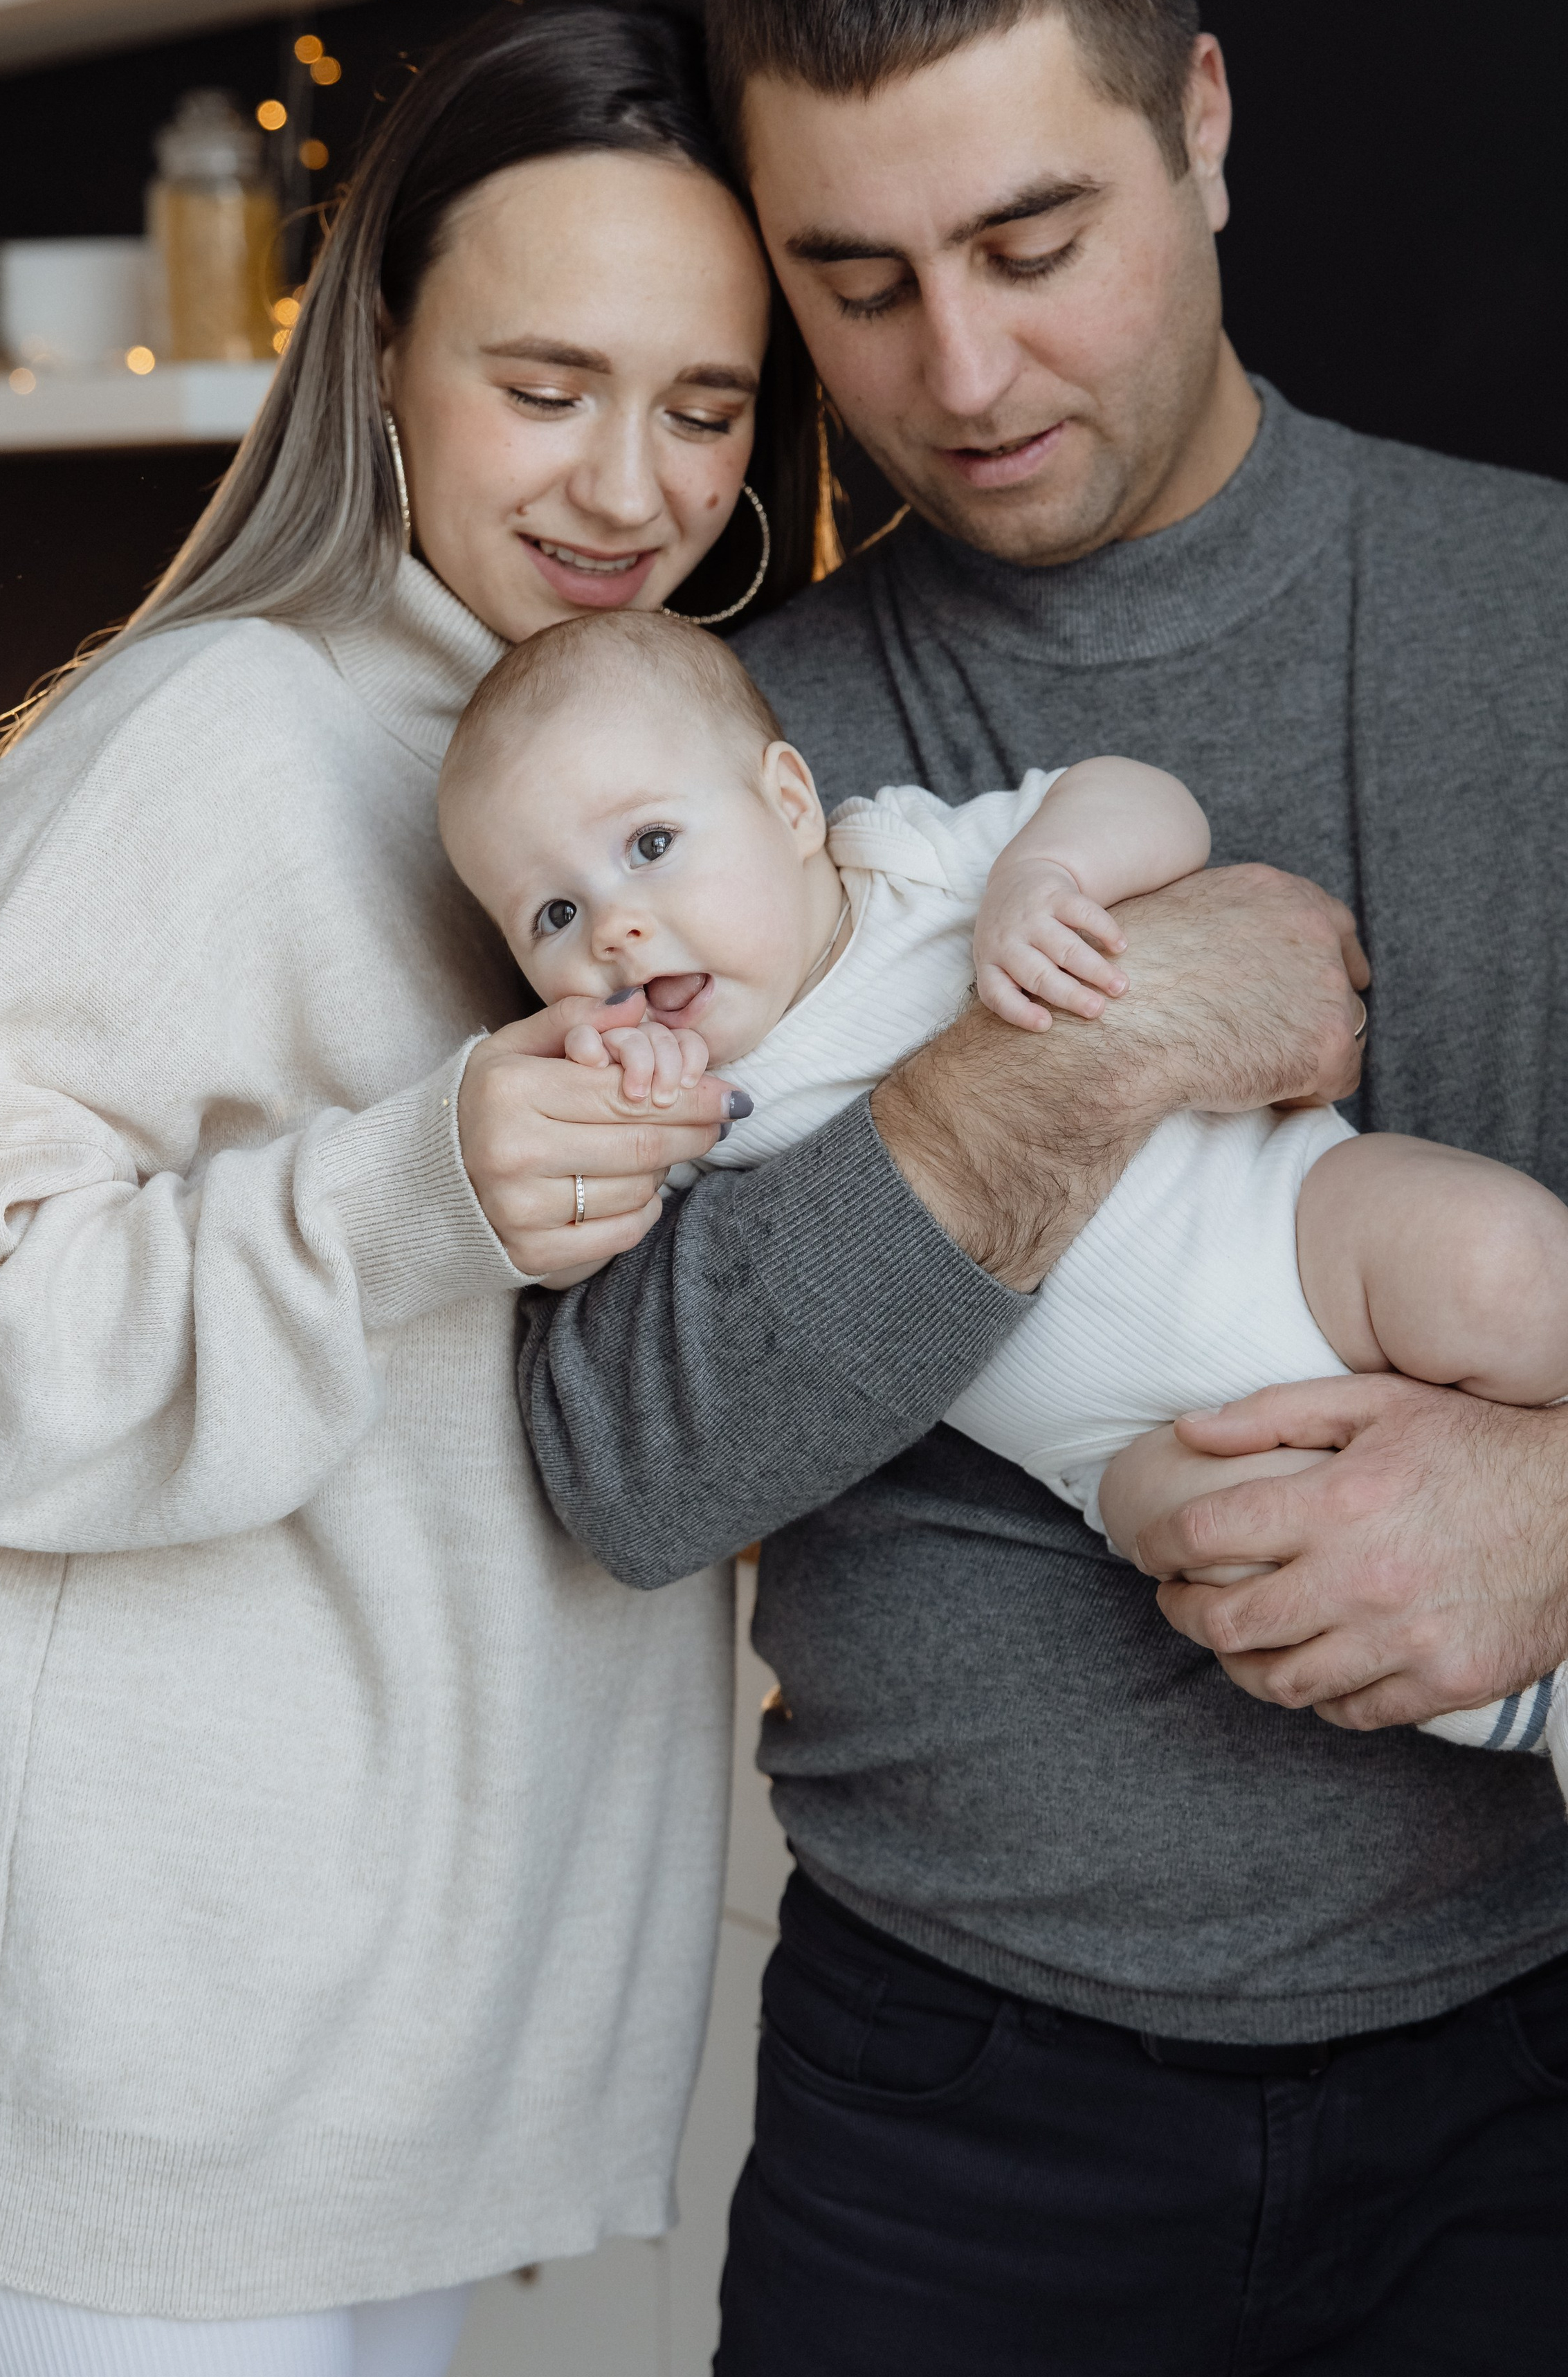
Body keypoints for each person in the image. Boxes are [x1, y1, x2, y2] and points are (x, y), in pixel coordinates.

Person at [511, 0, 1568, 2377]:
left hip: (1525, 2072)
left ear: (1203, 125)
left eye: (1030, 245)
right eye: (852, 283)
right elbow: (635, 1454)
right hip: (949, 2100)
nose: (955, 378)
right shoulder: (700, 766)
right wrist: (1095, 1048)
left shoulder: (1533, 617)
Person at [0, 1, 811, 2377]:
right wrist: (400, 1197)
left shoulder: (648, 805)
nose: (630, 480)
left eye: (703, 402)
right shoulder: (217, 738)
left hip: (417, 2086)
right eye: (546, 382)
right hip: (162, 2091)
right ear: (379, 354)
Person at [441, 608, 1568, 1768]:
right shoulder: (682, 1107)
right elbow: (597, 1288)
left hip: (1289, 1229)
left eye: (650, 845)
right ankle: (1537, 1722)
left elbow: (1141, 794)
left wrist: (1050, 871)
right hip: (1134, 1438)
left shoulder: (915, 862)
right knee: (1265, 1575)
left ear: (786, 804)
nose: (618, 932)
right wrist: (605, 1125)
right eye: (555, 916)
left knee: (1500, 1265)